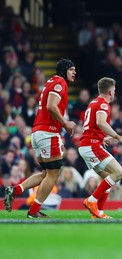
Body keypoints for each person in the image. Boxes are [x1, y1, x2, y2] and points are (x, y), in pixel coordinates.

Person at [3, 58, 77, 218]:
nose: (74, 72)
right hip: (48, 133)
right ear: (64, 70)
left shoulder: (51, 81)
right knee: (54, 174)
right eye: (72, 69)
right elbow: (51, 105)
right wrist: (65, 123)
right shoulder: (60, 83)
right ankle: (34, 211)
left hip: (38, 132)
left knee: (46, 173)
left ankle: (15, 190)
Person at [79, 77, 122, 219]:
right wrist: (118, 137)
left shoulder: (93, 103)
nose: (114, 93)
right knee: (119, 172)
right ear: (110, 92)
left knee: (108, 181)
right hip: (91, 145)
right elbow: (101, 122)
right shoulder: (103, 104)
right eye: (114, 90)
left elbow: (92, 125)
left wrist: (102, 138)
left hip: (88, 144)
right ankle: (91, 201)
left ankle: (99, 213)